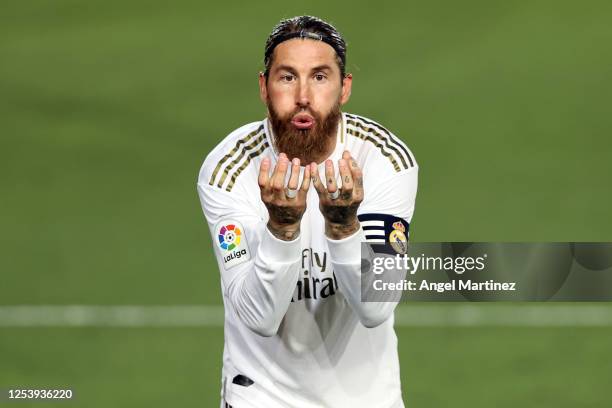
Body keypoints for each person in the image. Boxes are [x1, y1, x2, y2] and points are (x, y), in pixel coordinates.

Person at [197, 15, 418, 408]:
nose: (303, 95)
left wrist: (344, 226)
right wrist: (282, 228)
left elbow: (376, 306)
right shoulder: (228, 170)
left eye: (319, 76)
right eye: (287, 77)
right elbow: (258, 317)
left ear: (344, 87)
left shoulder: (385, 160)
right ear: (264, 87)